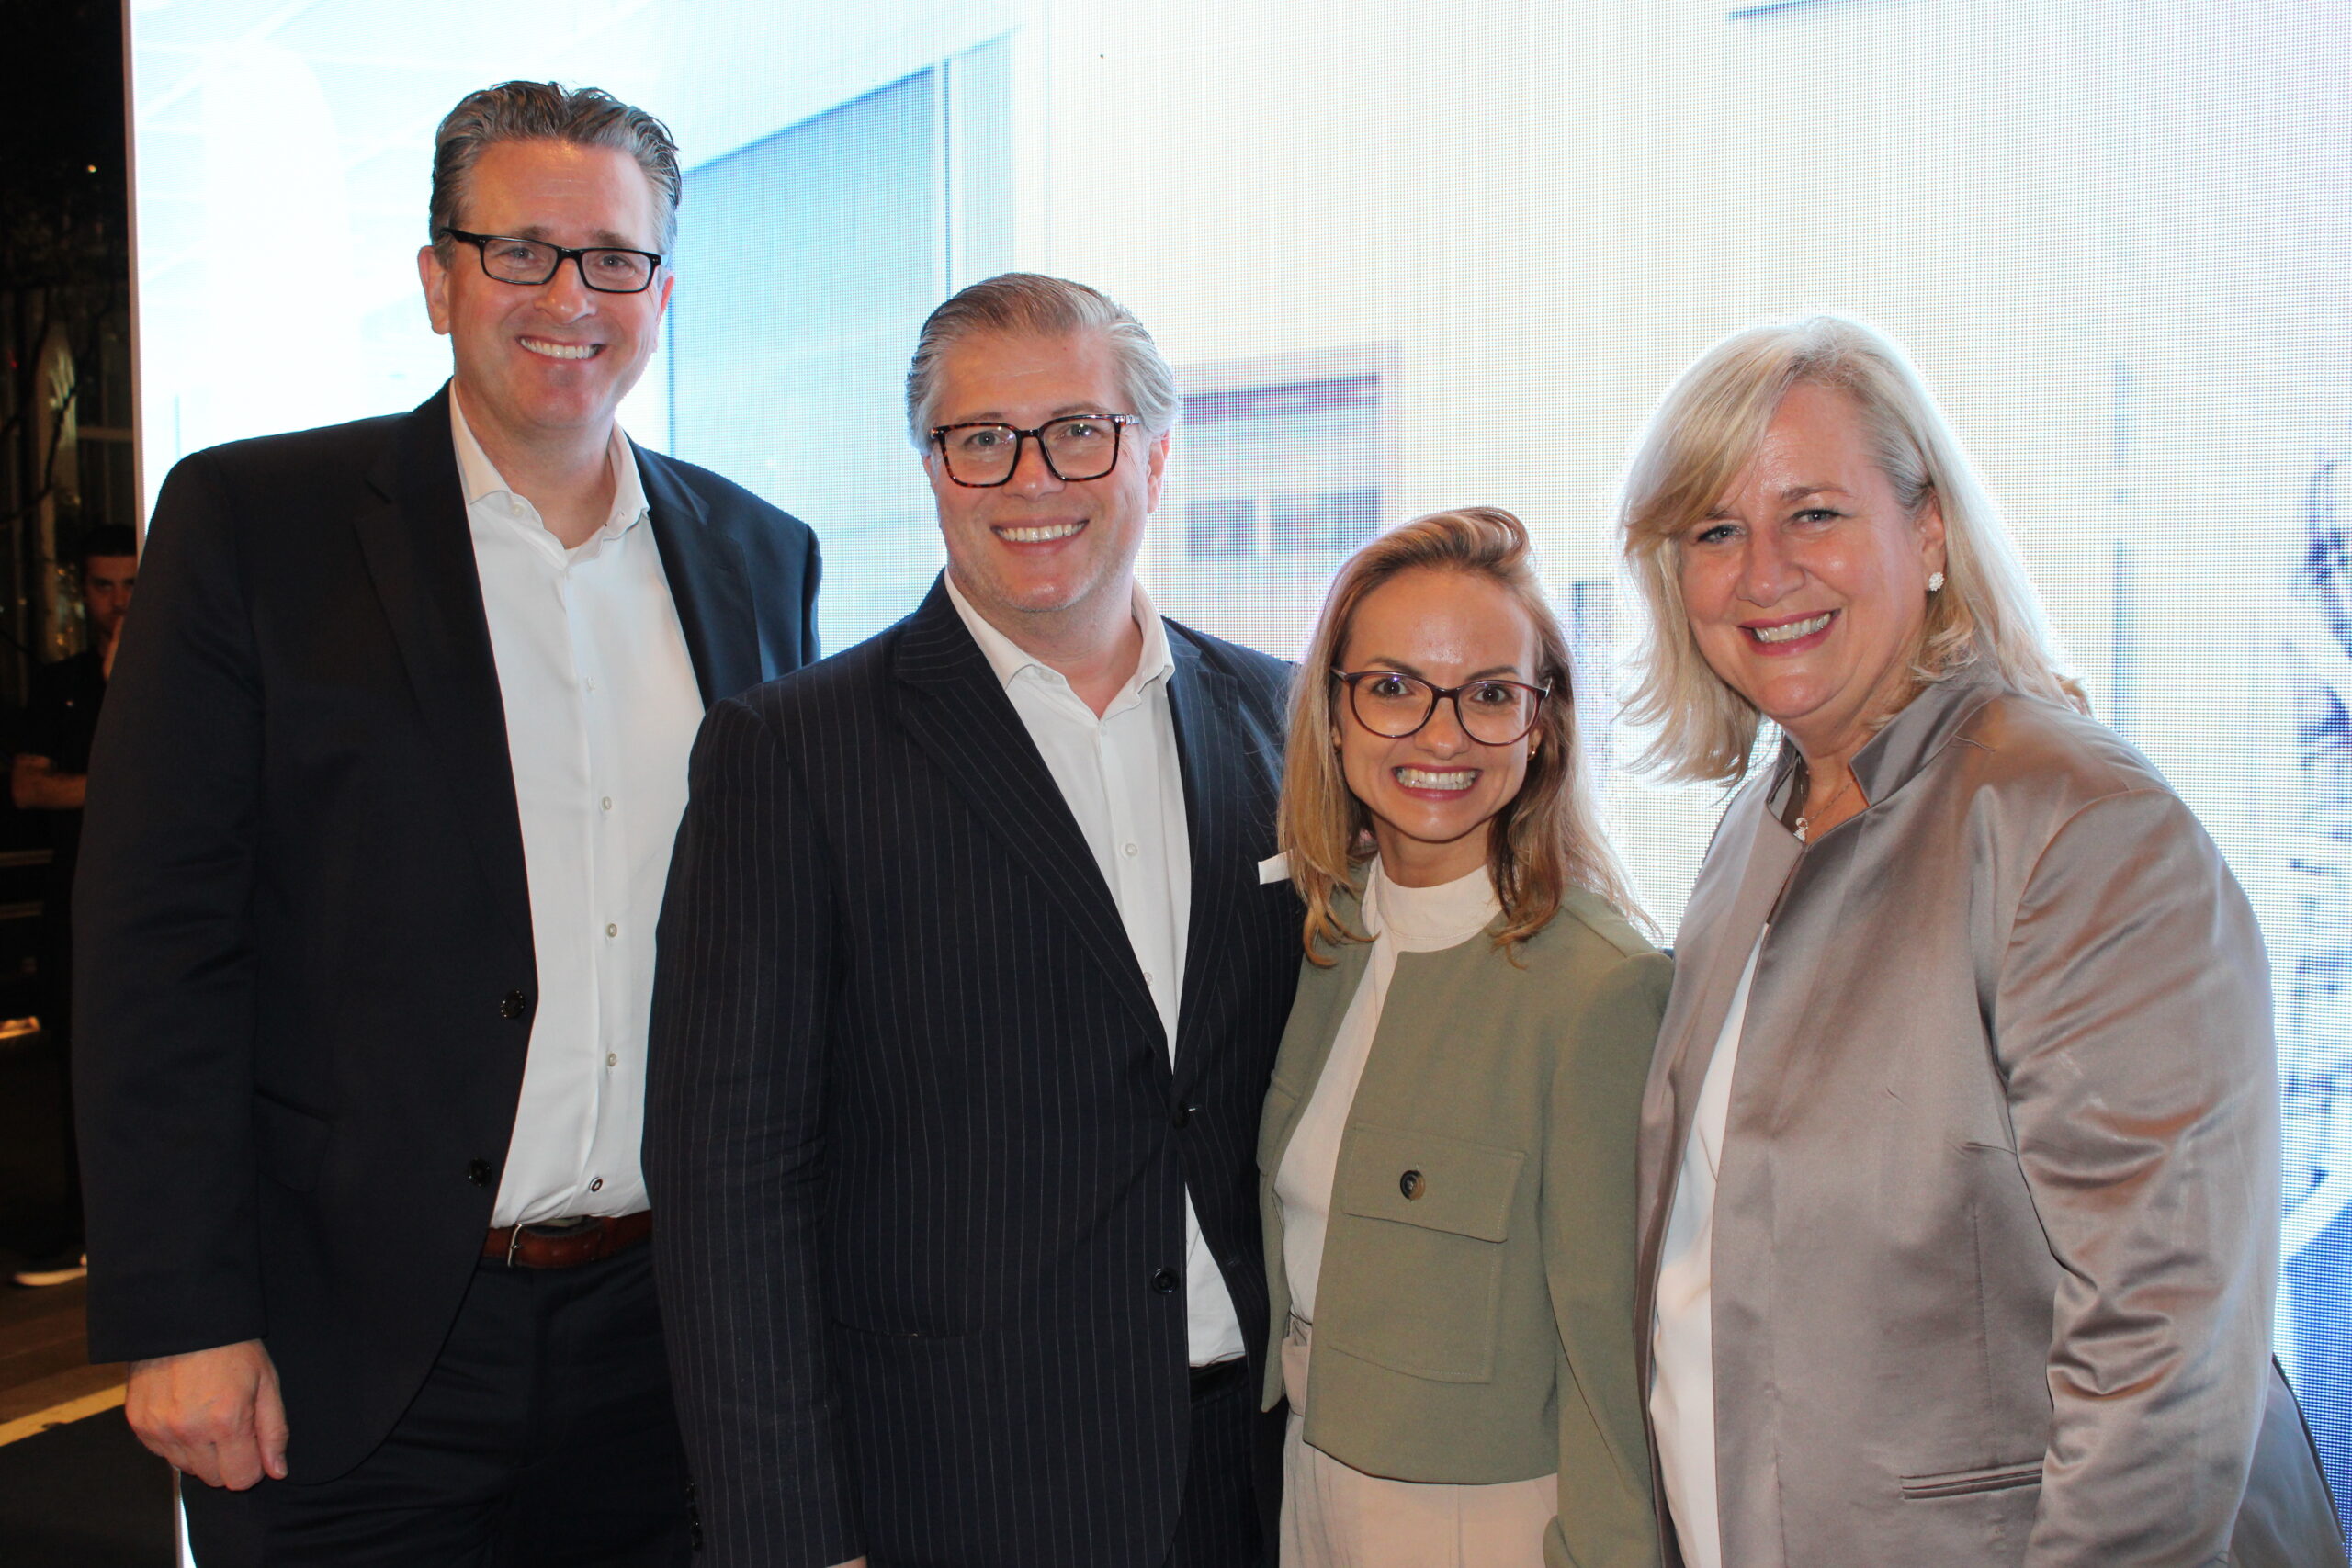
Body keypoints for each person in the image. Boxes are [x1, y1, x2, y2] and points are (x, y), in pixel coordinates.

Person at [74, 80, 820, 1563]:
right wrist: (183, 1313)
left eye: (613, 258)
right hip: (345, 1347)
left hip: (666, 1340)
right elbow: (155, 943)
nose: (569, 296)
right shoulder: (253, 523)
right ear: (438, 279)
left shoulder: (759, 553)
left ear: (661, 290)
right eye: (520, 251)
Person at [1617, 312, 2347, 1566]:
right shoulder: (1757, 823)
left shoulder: (2076, 822)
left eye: (1815, 513)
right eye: (1715, 530)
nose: (1763, 572)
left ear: (1933, 533)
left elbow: (2163, 1358)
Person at [646, 272, 1297, 1568]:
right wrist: (789, 1532)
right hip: (958, 1482)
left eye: (1079, 431)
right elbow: (731, 1189)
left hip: (1256, 1472)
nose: (1030, 477)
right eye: (980, 438)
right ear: (931, 468)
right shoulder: (791, 753)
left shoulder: (1285, 720)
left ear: (1156, 456)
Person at [1258, 506, 1665, 1568]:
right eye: (1392, 687)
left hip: (1481, 1523)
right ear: (1333, 714)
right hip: (1305, 1477)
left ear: (1541, 729)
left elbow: (1614, 1367)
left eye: (1489, 696)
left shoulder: (1598, 991)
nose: (1441, 736)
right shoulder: (1323, 936)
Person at [7, 524, 137, 1289]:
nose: (117, 601)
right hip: (74, 899)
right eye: (102, 585)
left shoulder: (177, 672)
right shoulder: (59, 682)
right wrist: (114, 789)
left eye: (129, 584)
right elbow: (28, 788)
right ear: (80, 590)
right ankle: (81, 1227)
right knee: (75, 1065)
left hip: (152, 904)